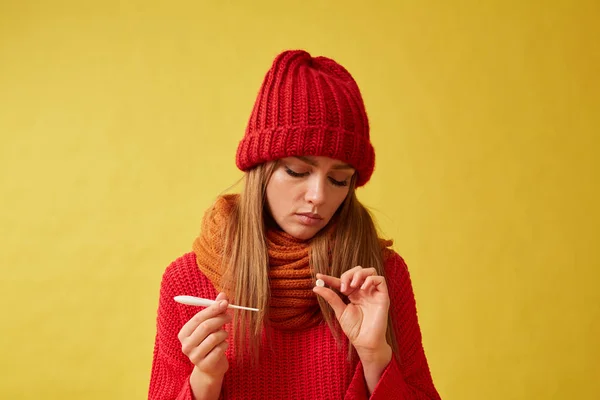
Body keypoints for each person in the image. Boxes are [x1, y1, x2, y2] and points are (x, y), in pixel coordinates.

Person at [148, 49, 440, 400]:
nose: (318, 196)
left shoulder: (380, 277)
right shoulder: (186, 280)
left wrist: (376, 357)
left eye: (339, 180)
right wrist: (205, 380)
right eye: (297, 171)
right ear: (262, 169)